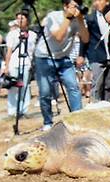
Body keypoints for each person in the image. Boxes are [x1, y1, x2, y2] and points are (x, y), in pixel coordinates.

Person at [34, 0, 89, 131]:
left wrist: (80, 20)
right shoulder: (53, 16)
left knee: (73, 87)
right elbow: (58, 36)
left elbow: (85, 39)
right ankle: (47, 122)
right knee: (46, 92)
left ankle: (77, 118)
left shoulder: (77, 19)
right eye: (73, 6)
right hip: (44, 57)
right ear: (65, 6)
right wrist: (68, 18)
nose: (76, 9)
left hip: (63, 58)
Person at [2, 10, 38, 117]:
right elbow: (9, 51)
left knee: (25, 87)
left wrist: (32, 63)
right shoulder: (12, 34)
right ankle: (12, 111)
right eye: (17, 19)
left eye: (22, 18)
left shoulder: (32, 35)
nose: (19, 21)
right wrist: (6, 66)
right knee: (13, 87)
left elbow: (33, 51)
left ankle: (23, 110)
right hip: (14, 63)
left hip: (27, 63)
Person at [80, 0, 110, 102]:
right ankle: (96, 105)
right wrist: (81, 54)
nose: (96, 3)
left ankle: (108, 106)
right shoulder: (90, 18)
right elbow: (84, 38)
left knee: (109, 85)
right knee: (97, 84)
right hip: (97, 55)